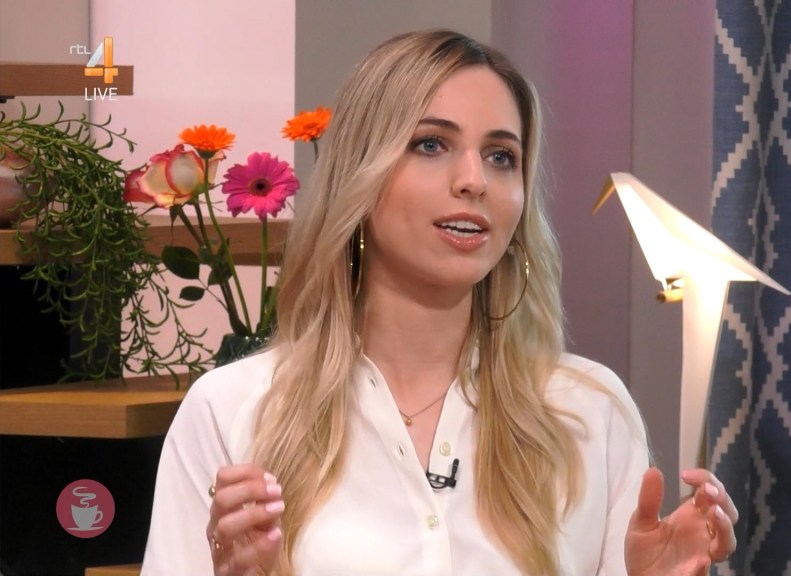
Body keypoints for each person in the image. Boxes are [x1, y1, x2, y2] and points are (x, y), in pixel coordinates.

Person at [141, 29, 738, 576]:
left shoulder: (590, 413)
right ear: (361, 176)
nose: (474, 180)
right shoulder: (232, 412)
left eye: (501, 156)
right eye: (431, 144)